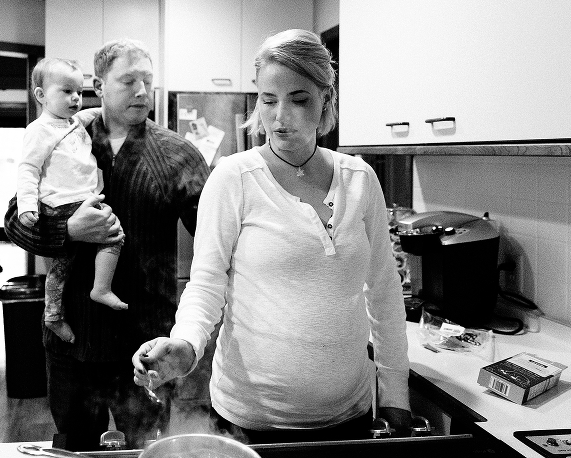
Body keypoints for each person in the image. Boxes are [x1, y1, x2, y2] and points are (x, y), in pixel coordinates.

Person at [132, 29, 413, 443]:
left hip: (348, 417)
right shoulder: (234, 178)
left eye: (299, 99)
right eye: (269, 100)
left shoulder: (360, 180)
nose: (280, 117)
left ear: (326, 101)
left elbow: (385, 293)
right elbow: (206, 283)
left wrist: (396, 395)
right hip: (252, 422)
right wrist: (186, 345)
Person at [3, 38, 210, 450]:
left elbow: (213, 241)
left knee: (148, 449)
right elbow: (15, 223)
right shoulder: (63, 136)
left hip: (147, 345)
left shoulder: (178, 155)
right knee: (73, 447)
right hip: (71, 341)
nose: (141, 92)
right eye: (128, 81)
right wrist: (68, 230)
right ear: (99, 85)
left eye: (148, 82)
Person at [17, 57, 126, 344]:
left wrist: (110, 107)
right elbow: (28, 169)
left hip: (86, 201)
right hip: (61, 206)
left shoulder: (73, 123)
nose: (75, 97)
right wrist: (27, 205)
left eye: (78, 91)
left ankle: (100, 288)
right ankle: (52, 316)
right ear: (41, 96)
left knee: (114, 237)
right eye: (66, 91)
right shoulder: (39, 130)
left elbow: (90, 114)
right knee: (62, 266)